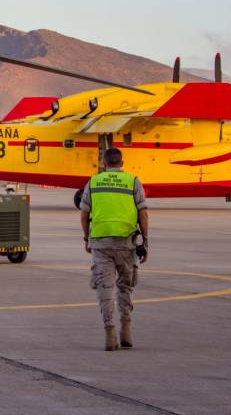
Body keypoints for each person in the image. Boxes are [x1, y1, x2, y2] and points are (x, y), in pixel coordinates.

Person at [79, 147, 149, 351]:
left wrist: (87, 238)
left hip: (101, 244)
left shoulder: (93, 182)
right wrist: (145, 241)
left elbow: (84, 214)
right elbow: (143, 213)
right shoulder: (133, 181)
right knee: (126, 287)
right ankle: (126, 330)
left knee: (105, 288)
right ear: (122, 163)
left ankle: (110, 333)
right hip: (127, 244)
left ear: (103, 163)